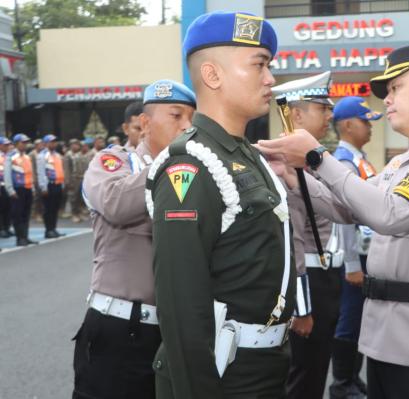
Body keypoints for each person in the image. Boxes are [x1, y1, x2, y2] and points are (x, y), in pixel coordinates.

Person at [258, 45, 409, 399]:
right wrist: (295, 176)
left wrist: (317, 158)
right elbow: (348, 209)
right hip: (387, 335)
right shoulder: (405, 161)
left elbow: (390, 215)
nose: (387, 101)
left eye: (396, 89)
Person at [146, 11, 296, 399]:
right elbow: (181, 308)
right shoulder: (190, 164)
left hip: (263, 367)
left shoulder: (248, 155)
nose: (270, 79)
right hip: (223, 375)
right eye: (259, 65)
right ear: (212, 76)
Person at [72, 79, 196, 399]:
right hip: (119, 328)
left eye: (192, 120)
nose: (187, 127)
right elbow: (115, 205)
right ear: (144, 123)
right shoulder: (115, 163)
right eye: (176, 116)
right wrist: (169, 163)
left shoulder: (192, 175)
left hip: (172, 333)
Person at [270, 71, 343, 399]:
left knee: (315, 371)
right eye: (321, 108)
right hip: (308, 282)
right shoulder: (285, 164)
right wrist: (302, 307)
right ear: (295, 115)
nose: (330, 115)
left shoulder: (309, 162)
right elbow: (292, 237)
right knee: (304, 376)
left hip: (325, 278)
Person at [329, 96, 382, 399]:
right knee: (349, 320)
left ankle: (352, 377)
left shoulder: (359, 158)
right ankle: (341, 384)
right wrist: (351, 265)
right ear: (348, 125)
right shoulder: (345, 162)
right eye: (366, 122)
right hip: (354, 257)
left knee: (359, 320)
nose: (371, 128)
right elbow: (343, 218)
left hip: (365, 253)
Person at [4, 133, 39, 246]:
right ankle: (20, 238)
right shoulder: (10, 157)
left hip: (27, 188)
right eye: (22, 143)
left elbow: (30, 174)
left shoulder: (27, 157)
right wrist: (10, 190)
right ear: (16, 144)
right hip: (17, 189)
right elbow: (7, 175)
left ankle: (25, 236)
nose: (25, 145)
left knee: (26, 214)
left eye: (26, 143)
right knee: (17, 214)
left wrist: (33, 187)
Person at [37, 134, 65, 238]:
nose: (54, 143)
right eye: (51, 142)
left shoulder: (57, 155)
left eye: (55, 141)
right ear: (45, 143)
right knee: (48, 209)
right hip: (49, 185)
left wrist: (62, 184)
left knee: (55, 208)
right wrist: (43, 187)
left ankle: (53, 228)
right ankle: (48, 230)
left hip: (57, 184)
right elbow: (41, 172)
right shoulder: (42, 156)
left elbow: (60, 170)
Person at [64, 138, 88, 222]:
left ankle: (79, 213)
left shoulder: (79, 154)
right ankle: (74, 214)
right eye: (74, 144)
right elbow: (67, 169)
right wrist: (67, 181)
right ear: (71, 145)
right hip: (73, 179)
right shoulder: (68, 155)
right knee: (73, 197)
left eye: (77, 144)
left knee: (80, 197)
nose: (76, 146)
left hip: (81, 178)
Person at [29, 138, 45, 223]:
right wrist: (34, 178)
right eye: (39, 144)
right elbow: (31, 167)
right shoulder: (32, 154)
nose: (41, 146)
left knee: (42, 197)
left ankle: (41, 213)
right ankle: (36, 213)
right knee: (37, 197)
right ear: (35, 146)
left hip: (42, 177)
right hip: (35, 177)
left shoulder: (44, 154)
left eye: (42, 144)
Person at [0, 136, 12, 238]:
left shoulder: (9, 156)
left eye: (8, 145)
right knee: (1, 208)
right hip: (1, 185)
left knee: (8, 208)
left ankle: (7, 227)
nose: (7, 147)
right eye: (5, 145)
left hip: (8, 185)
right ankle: (2, 229)